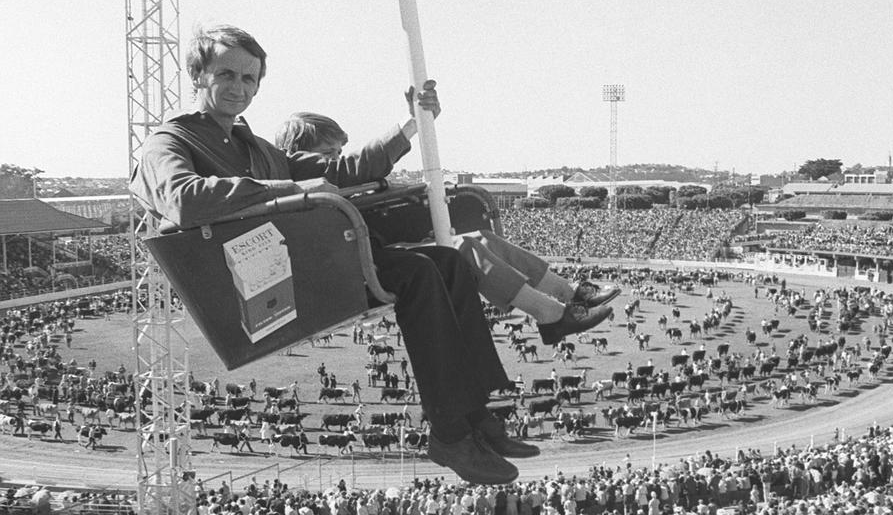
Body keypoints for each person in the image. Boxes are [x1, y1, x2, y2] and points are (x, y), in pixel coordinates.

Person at [129, 24, 531, 484]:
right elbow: (183, 198)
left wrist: (412, 125)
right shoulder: (170, 142)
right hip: (258, 282)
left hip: (299, 264)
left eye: (249, 78)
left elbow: (342, 170)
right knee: (419, 271)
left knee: (448, 261)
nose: (239, 87)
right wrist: (289, 188)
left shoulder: (257, 148)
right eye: (227, 74)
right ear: (198, 73)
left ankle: (476, 416)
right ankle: (450, 433)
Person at [275, 111, 619, 344]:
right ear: (301, 152)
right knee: (463, 248)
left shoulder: (325, 178)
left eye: (338, 151)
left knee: (481, 238)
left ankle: (569, 293)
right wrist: (413, 122)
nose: (337, 157)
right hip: (362, 263)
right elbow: (355, 167)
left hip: (370, 251)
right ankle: (551, 314)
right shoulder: (301, 169)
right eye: (329, 151)